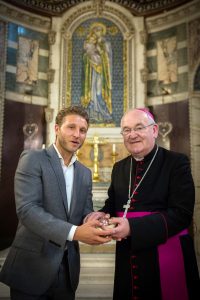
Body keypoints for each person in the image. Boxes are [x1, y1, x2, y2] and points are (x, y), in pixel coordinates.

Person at [0, 105, 113, 300]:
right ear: (57, 128)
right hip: (32, 266)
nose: (77, 134)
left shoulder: (84, 173)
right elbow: (28, 210)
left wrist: (95, 219)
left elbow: (84, 211)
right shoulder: (33, 159)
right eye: (71, 127)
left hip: (68, 269)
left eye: (83, 130)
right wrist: (76, 232)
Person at [86, 108, 200, 300]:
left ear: (154, 130)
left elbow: (182, 214)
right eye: (126, 130)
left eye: (139, 128)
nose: (132, 135)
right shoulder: (119, 167)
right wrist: (101, 214)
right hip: (128, 253)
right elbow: (113, 203)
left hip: (166, 251)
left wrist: (132, 227)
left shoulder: (176, 162)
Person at [81, 22, 113, 124]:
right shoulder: (89, 46)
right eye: (96, 31)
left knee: (99, 93)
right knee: (92, 93)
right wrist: (90, 56)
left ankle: (104, 114)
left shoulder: (104, 45)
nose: (98, 33)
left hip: (101, 74)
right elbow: (85, 57)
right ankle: (92, 115)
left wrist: (101, 52)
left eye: (99, 30)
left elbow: (107, 59)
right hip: (91, 75)